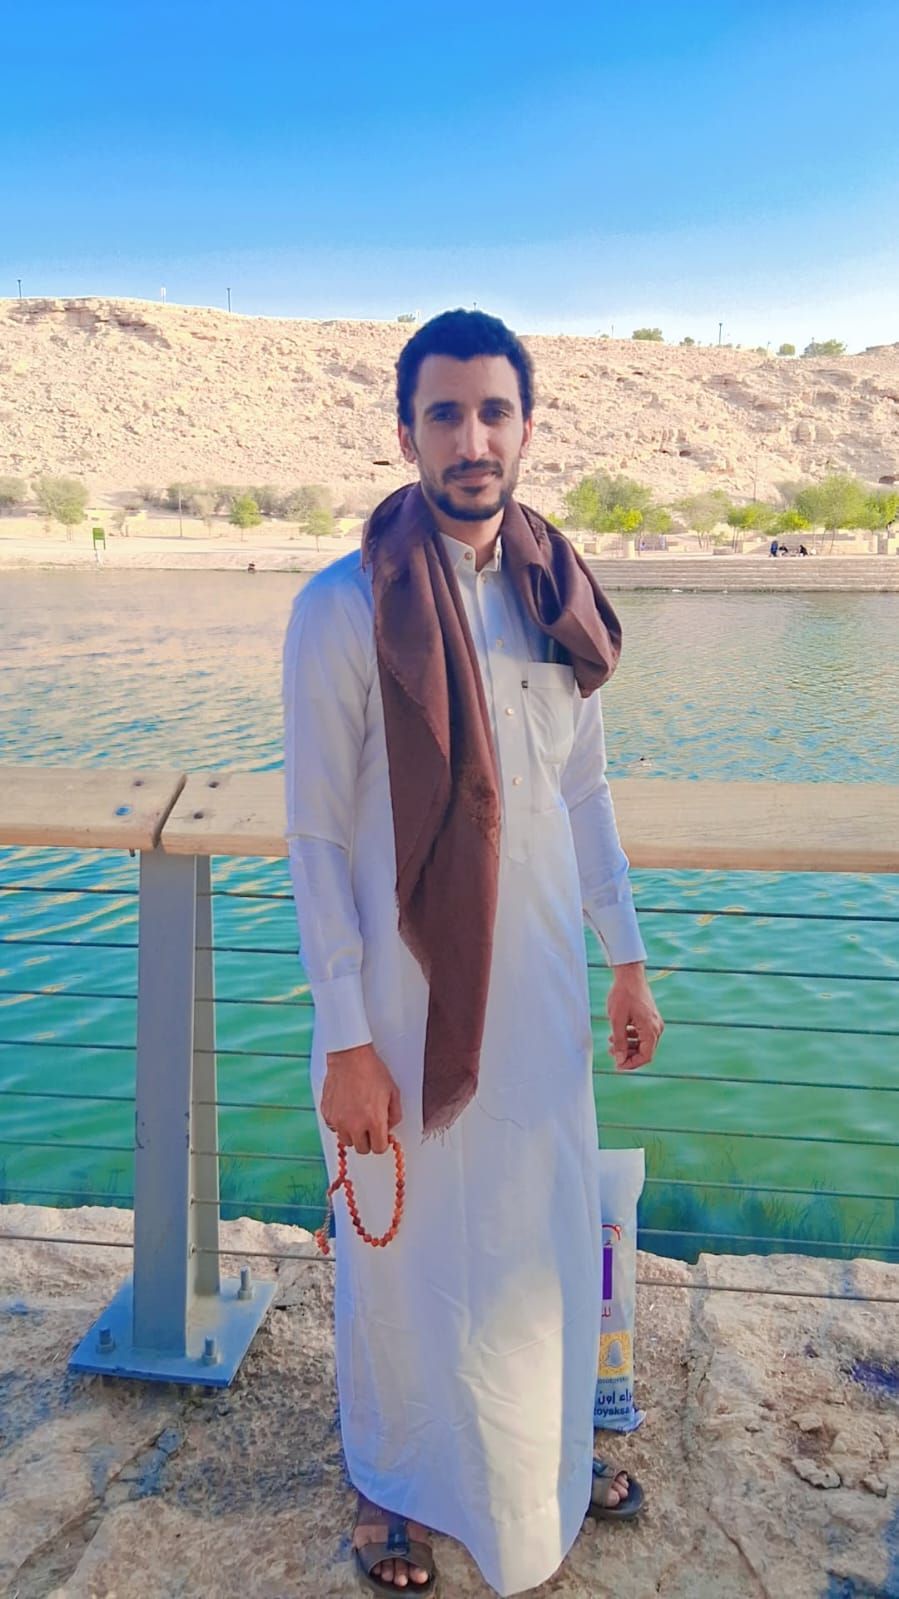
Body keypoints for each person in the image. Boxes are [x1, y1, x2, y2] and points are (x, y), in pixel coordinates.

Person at [283, 310, 663, 1596]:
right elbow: (315, 837)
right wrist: (344, 1037)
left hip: (542, 993)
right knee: (405, 1261)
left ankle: (543, 1463)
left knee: (535, 1241)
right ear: (405, 435)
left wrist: (624, 957)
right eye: (442, 414)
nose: (470, 439)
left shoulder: (558, 596)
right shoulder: (342, 609)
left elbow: (583, 792)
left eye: (492, 411)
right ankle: (390, 1480)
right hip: (403, 1006)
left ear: (526, 428)